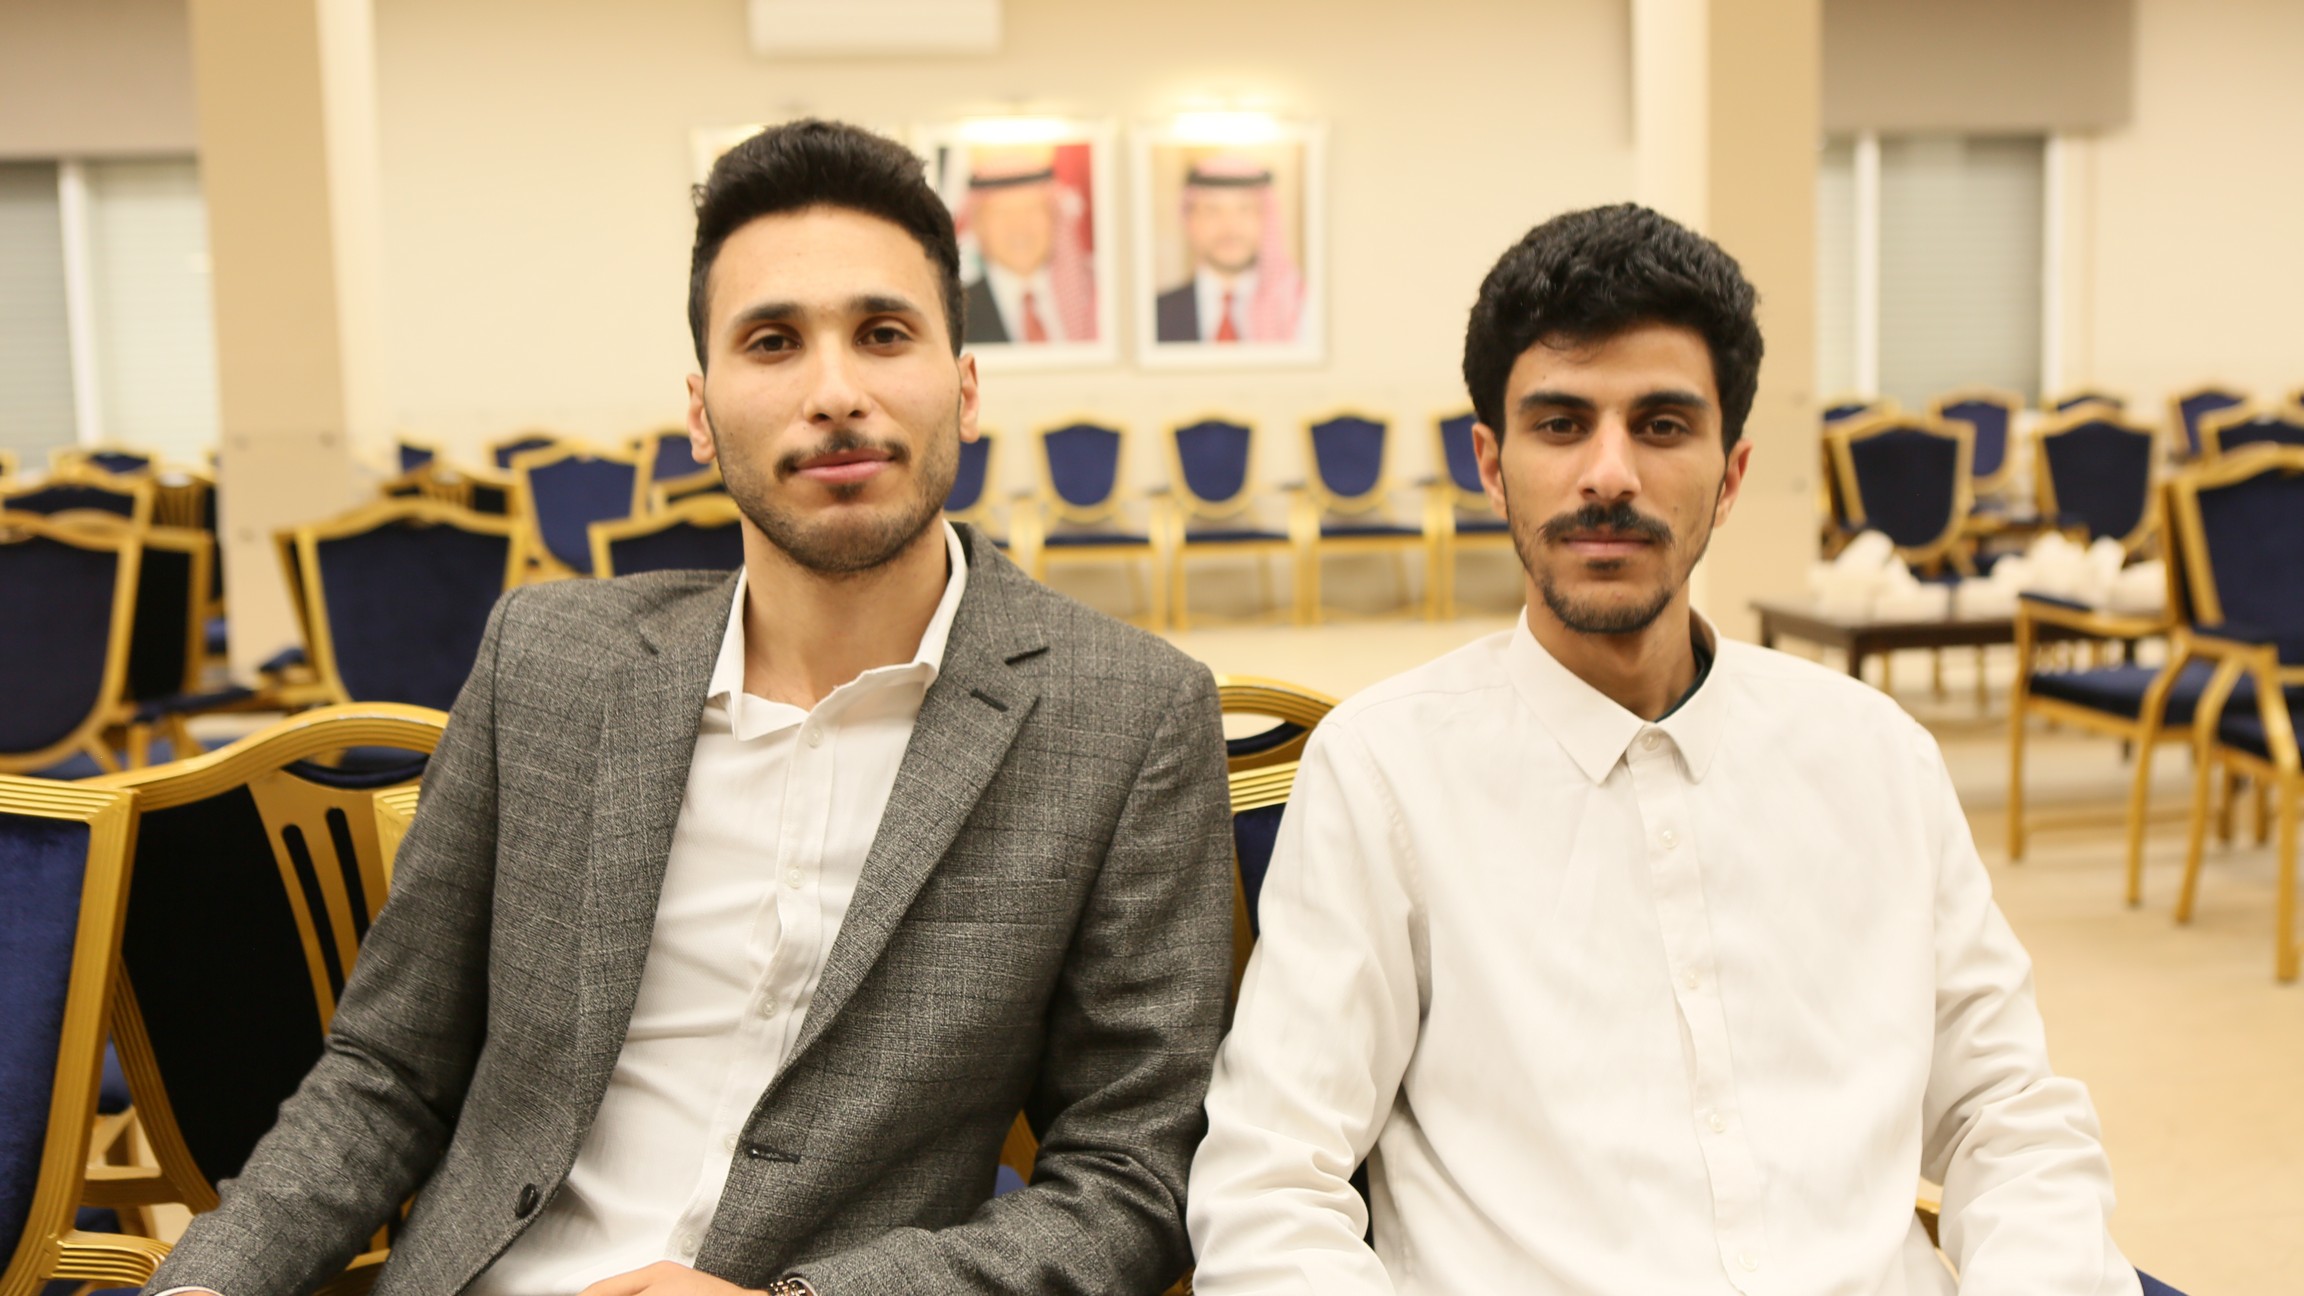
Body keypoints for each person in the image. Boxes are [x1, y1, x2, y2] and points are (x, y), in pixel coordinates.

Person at [144, 119, 1234, 1296]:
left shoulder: (1124, 716)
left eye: (883, 334)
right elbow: (388, 1070)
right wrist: (211, 1281)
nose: (835, 394)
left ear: (965, 390)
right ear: (702, 413)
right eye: (773, 342)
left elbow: (1129, 1179)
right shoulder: (548, 662)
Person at [1185, 203, 2142, 1295]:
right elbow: (1271, 1183)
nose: (1609, 474)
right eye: (1561, 425)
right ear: (1491, 467)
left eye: (1662, 425)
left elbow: (2007, 1115)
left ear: (1730, 475)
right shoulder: (1385, 772)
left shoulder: (1877, 755)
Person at [1152, 157, 1303, 345]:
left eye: (1244, 209)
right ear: (1190, 220)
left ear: (1265, 219)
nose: (1230, 226)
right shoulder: (1153, 315)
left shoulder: (1299, 311)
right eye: (1212, 210)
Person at [957, 151, 1095, 346]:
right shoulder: (956, 312)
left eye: (1032, 210)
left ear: (1054, 218)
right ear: (979, 226)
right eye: (1002, 213)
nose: (1020, 226)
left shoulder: (1094, 300)